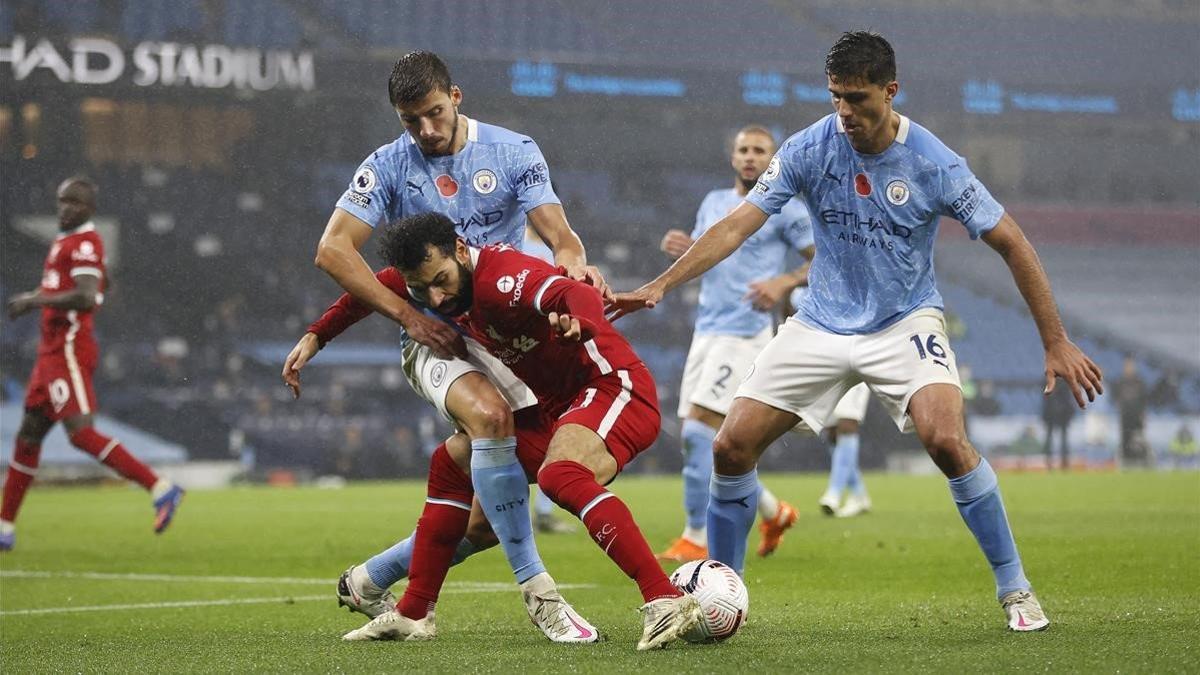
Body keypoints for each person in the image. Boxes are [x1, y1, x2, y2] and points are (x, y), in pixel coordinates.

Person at [610, 31, 1105, 632]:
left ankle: (1016, 588)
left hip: (904, 321)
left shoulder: (934, 162)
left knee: (947, 442)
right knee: (729, 446)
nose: (843, 113)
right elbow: (735, 225)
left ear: (891, 91)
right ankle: (720, 597)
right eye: (835, 97)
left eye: (857, 98)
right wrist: (661, 284)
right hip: (819, 322)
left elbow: (1013, 242)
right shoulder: (809, 148)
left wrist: (1054, 339)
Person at [283, 51, 604, 642]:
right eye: (411, 121)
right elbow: (333, 250)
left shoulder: (513, 150)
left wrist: (572, 278)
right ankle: (542, 597)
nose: (425, 131)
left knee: (484, 521)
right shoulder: (386, 167)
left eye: (433, 113)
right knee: (491, 418)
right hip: (436, 339)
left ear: (455, 97)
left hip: (506, 334)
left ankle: (372, 578)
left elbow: (561, 237)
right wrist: (409, 315)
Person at [339, 213, 701, 649]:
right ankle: (412, 612)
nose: (434, 298)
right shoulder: (436, 279)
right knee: (455, 463)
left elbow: (575, 292)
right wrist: (316, 337)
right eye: (421, 289)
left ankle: (662, 597)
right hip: (557, 412)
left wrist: (582, 323)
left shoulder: (501, 278)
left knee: (559, 475)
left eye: (440, 281)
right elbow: (367, 291)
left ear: (458, 250)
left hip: (610, 386)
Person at [1, 177, 184, 551]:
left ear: (90, 209)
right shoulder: (64, 242)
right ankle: (4, 526)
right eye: (62, 200)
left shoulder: (85, 241)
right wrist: (45, 296)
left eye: (74, 202)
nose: (65, 207)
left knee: (81, 432)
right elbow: (96, 286)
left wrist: (35, 301)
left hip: (67, 351)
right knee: (28, 437)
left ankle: (160, 487)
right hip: (48, 354)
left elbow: (85, 297)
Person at [656, 126, 812, 563]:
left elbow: (820, 260)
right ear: (733, 158)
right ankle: (773, 511)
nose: (750, 157)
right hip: (706, 329)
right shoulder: (712, 202)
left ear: (772, 159)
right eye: (743, 149)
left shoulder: (784, 208)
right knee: (702, 438)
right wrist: (684, 249)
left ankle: (696, 535)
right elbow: (708, 252)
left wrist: (783, 281)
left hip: (745, 331)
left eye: (759, 151)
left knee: (698, 430)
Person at [1114, 356, 1148, 467]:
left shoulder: (1139, 382)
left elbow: (1144, 399)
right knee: (1125, 439)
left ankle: (1140, 460)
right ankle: (1126, 462)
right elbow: (1116, 397)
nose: (1129, 368)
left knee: (1138, 439)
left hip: (1137, 415)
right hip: (1125, 415)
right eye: (1127, 366)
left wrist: (1143, 414)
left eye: (1131, 366)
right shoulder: (1120, 381)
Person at [1041, 380, 1076, 470]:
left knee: (1062, 439)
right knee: (1051, 439)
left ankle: (1063, 461)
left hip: (1061, 412)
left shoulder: (1063, 379)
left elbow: (1067, 397)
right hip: (1051, 412)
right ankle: (1049, 462)